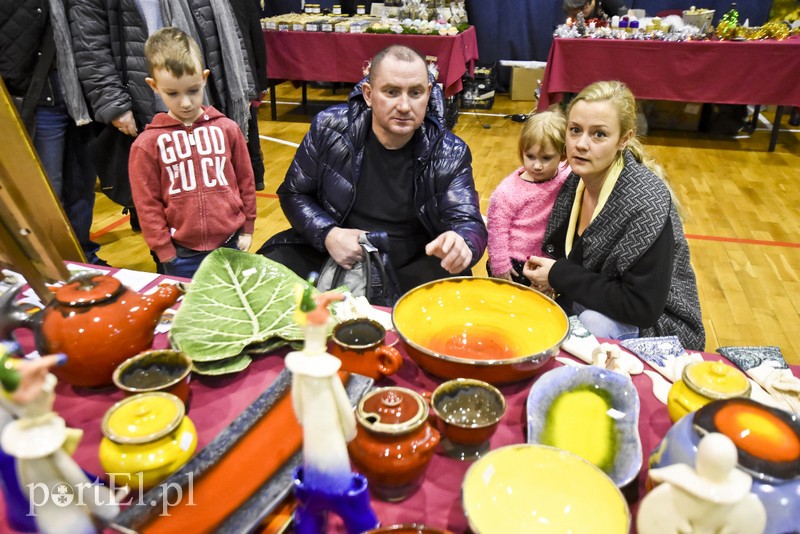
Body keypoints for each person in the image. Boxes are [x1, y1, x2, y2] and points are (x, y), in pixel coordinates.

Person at [259, 45, 487, 296]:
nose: (404, 105)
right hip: (337, 253)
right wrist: (328, 234)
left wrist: (462, 243)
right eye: (391, 92)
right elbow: (294, 193)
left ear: (429, 94)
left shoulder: (450, 152)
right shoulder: (329, 128)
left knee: (458, 294)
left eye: (415, 93)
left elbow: (468, 222)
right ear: (368, 94)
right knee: (263, 278)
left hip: (411, 262)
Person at [523, 81, 705, 350]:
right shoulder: (576, 178)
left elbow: (641, 307)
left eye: (598, 135)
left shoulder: (646, 203)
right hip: (595, 298)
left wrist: (558, 275)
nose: (581, 144)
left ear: (624, 139)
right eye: (575, 130)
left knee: (592, 325)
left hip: (659, 324)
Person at [67, 0, 255, 233]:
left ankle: (218, 249)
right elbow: (90, 42)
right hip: (146, 105)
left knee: (216, 183)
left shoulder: (225, 126)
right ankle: (169, 258)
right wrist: (115, 104)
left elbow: (227, 25)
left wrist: (242, 83)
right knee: (164, 198)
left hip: (205, 98)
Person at [128, 28, 256, 278]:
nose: (185, 102)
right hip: (181, 253)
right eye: (173, 93)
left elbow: (245, 181)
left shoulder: (227, 129)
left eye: (193, 90)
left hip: (231, 243)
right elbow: (147, 203)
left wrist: (247, 228)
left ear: (204, 78)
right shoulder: (147, 144)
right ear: (154, 86)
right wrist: (164, 250)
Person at [0, 0, 107, 265]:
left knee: (82, 184)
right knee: (48, 191)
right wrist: (17, 77)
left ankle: (83, 256)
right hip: (37, 92)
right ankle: (50, 263)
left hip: (80, 91)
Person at [486, 110, 571, 286]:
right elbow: (496, 230)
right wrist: (500, 265)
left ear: (562, 155)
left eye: (546, 158)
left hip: (547, 260)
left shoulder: (566, 175)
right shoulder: (507, 191)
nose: (537, 166)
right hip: (515, 261)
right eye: (530, 156)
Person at [229, 0, 268, 191]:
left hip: (243, 75)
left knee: (248, 124)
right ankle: (253, 175)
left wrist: (259, 80)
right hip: (243, 74)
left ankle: (255, 175)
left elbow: (256, 39)